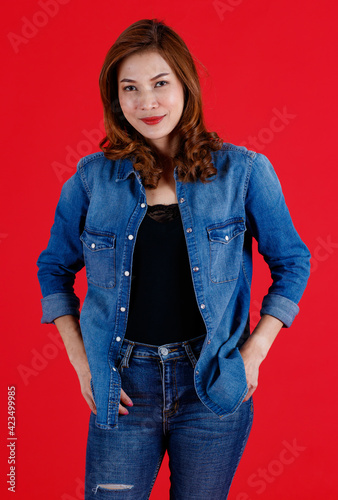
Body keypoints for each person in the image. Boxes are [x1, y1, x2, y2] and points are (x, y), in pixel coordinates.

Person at [36, 18, 311, 500]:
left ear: (186, 84)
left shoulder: (242, 172)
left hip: (211, 381)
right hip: (124, 388)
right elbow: (53, 269)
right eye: (130, 88)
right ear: (115, 99)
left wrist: (254, 354)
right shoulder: (91, 179)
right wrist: (85, 368)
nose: (147, 103)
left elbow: (293, 261)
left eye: (160, 84)